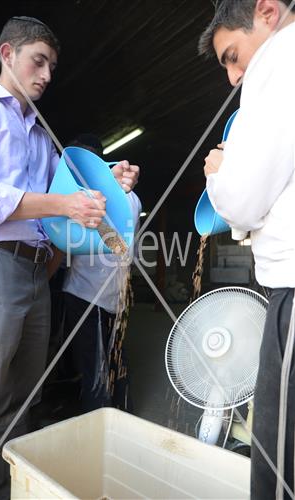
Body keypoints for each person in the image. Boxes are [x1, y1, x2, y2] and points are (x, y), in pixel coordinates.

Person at [0, 16, 139, 500]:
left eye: (52, 67)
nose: (45, 75)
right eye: (38, 61)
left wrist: (108, 182)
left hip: (37, 270)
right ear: (6, 53)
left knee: (24, 398)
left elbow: (60, 209)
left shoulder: (42, 138)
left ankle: (5, 490)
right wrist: (64, 204)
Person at [199, 1, 295, 498]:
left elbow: (241, 202)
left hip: (292, 290)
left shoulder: (280, 63)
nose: (235, 76)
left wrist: (219, 171)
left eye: (233, 56)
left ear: (267, 12)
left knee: (279, 459)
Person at [60, 133, 142, 413]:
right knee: (114, 357)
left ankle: (99, 422)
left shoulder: (87, 198)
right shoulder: (132, 197)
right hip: (114, 296)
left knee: (94, 366)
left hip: (87, 293)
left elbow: (66, 240)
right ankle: (124, 413)